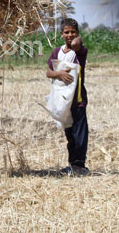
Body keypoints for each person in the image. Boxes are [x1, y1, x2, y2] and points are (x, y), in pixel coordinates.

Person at [46, 18, 89, 176]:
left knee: (80, 133)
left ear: (77, 33)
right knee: (70, 134)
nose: (70, 35)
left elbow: (77, 44)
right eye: (67, 32)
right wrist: (59, 73)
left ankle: (80, 165)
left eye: (73, 32)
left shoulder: (80, 51)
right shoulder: (57, 52)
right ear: (61, 34)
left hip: (77, 100)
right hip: (63, 100)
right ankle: (72, 164)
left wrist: (77, 40)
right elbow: (49, 72)